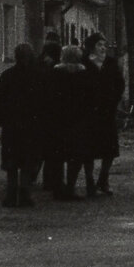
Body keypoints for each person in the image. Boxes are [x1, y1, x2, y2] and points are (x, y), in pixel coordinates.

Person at [0, 41, 45, 208]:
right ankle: (24, 194)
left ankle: (11, 194)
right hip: (31, 125)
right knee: (27, 161)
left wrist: (1, 119)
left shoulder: (8, 75)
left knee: (12, 161)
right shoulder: (38, 76)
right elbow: (42, 101)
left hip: (12, 125)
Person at [48, 43, 91, 199]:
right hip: (77, 120)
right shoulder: (83, 75)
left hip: (58, 120)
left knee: (58, 156)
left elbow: (49, 96)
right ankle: (70, 186)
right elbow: (88, 99)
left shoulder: (55, 74)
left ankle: (58, 187)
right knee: (75, 156)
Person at [87, 34, 126, 197]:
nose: (103, 48)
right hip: (89, 112)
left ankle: (103, 178)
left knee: (109, 148)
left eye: (104, 45)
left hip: (107, 111)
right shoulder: (85, 63)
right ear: (91, 47)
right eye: (99, 45)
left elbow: (119, 84)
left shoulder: (110, 63)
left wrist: (114, 101)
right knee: (87, 148)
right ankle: (89, 181)